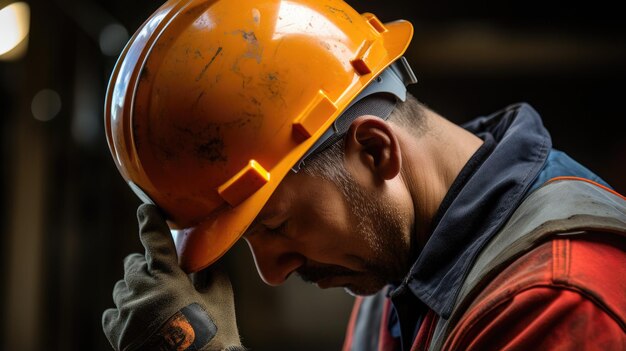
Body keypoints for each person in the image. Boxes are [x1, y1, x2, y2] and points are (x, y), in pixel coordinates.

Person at [101, 0, 626, 350]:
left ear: (376, 152)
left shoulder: (555, 304)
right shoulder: (399, 273)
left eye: (277, 224)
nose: (271, 272)